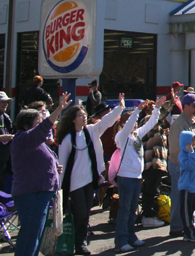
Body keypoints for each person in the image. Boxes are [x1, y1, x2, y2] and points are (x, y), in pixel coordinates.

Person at [56, 93, 125, 255]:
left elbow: (107, 121)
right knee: (79, 212)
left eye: (85, 115)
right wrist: (59, 188)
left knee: (86, 212)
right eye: (80, 115)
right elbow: (62, 164)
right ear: (73, 119)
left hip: (90, 180)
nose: (84, 117)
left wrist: (120, 107)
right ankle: (75, 241)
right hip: (74, 182)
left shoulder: (92, 131)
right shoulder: (67, 139)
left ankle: (79, 243)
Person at [11, 93, 70, 256]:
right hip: (31, 194)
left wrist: (52, 168)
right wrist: (58, 110)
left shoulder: (31, 140)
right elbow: (42, 130)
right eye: (37, 123)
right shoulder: (24, 138)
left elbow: (39, 160)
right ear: (26, 125)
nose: (41, 127)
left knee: (35, 236)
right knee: (30, 237)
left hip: (38, 194)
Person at [114, 97, 166, 252]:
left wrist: (156, 108)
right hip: (126, 177)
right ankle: (121, 240)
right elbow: (129, 125)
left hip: (136, 177)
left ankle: (131, 236)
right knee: (124, 209)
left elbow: (151, 123)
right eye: (132, 122)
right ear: (124, 124)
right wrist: (136, 111)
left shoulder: (136, 135)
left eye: (136, 122)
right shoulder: (121, 137)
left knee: (132, 210)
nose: (136, 124)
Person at [167, 93, 195, 237]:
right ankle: (177, 226)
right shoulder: (179, 124)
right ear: (185, 106)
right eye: (194, 105)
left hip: (194, 166)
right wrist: (190, 163)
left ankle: (190, 223)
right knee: (180, 197)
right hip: (181, 166)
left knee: (194, 196)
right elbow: (176, 149)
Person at [141, 98, 173, 228]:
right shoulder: (147, 120)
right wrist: (170, 103)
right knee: (150, 190)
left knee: (155, 189)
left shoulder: (157, 125)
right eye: (154, 107)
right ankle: (148, 216)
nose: (157, 109)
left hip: (158, 163)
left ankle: (153, 213)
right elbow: (159, 116)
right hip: (151, 162)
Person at [0, 92, 14, 192]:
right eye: (2, 102)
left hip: (3, 159)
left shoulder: (6, 117)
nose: (5, 104)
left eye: (7, 102)